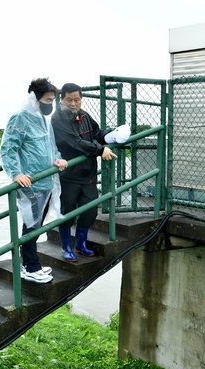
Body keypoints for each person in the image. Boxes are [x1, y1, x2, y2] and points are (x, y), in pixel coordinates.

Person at [0, 78, 68, 284]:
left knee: (36, 225)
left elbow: (50, 146)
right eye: (48, 100)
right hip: (30, 182)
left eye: (53, 100)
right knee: (30, 225)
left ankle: (29, 263)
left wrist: (58, 158)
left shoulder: (42, 120)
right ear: (35, 98)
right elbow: (8, 148)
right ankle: (30, 266)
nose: (51, 104)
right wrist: (15, 174)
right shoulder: (20, 118)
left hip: (46, 181)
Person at [51, 83, 130, 261]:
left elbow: (97, 132)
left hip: (88, 175)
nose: (73, 103)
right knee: (68, 211)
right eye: (69, 99)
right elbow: (76, 143)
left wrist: (112, 135)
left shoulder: (84, 116)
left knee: (90, 211)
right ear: (61, 99)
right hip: (68, 176)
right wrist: (101, 150)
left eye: (77, 100)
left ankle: (80, 244)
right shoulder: (57, 120)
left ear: (81, 100)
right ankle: (66, 247)